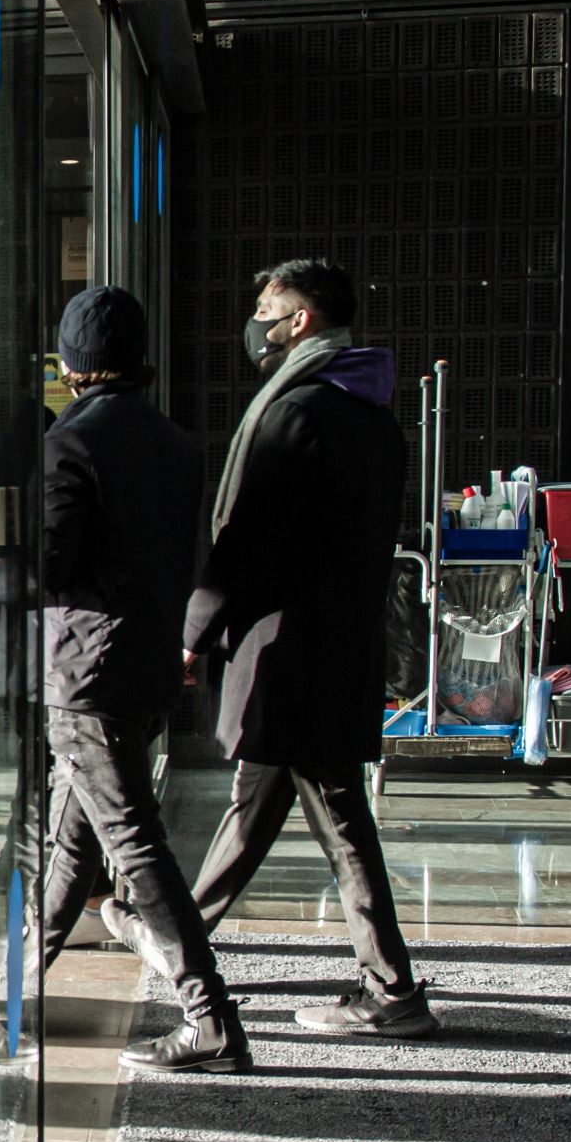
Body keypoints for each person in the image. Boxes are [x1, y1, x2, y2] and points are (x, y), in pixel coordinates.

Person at [149, 256, 436, 1039]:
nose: (260, 325)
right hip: (336, 649)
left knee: (336, 820)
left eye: (271, 308)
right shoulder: (374, 416)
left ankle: (392, 991)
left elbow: (246, 543)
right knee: (258, 806)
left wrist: (190, 633)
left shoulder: (294, 412)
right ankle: (180, 936)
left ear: (302, 319)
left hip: (289, 656)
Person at [34, 287, 246, 1071]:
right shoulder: (177, 443)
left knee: (132, 842)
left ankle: (209, 1012)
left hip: (85, 673)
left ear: (71, 364)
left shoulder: (69, 442)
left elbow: (53, 567)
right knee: (71, 847)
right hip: (147, 665)